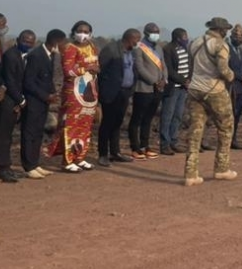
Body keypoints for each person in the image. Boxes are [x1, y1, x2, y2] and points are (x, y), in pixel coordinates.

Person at [184, 17, 237, 187]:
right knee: (226, 127)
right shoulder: (220, 45)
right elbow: (223, 69)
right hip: (214, 90)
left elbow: (191, 67)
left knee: (195, 130)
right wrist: (231, 76)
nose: (227, 32)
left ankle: (190, 173)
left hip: (194, 89)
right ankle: (221, 168)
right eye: (226, 29)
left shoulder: (195, 42)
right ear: (221, 30)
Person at [50, 20, 100, 173]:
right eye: (80, 30)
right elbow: (68, 71)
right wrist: (87, 68)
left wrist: (96, 68)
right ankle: (68, 160)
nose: (83, 34)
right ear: (73, 32)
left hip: (89, 93)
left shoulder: (92, 47)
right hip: (74, 93)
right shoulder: (69, 48)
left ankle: (80, 157)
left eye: (86, 31)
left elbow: (96, 66)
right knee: (71, 126)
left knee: (85, 126)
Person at [21, 29, 65, 179]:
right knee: (29, 133)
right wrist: (46, 95)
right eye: (62, 42)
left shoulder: (50, 55)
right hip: (34, 100)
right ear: (56, 42)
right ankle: (28, 166)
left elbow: (46, 78)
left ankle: (35, 163)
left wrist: (52, 93)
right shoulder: (36, 55)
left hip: (44, 101)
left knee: (39, 133)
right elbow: (29, 82)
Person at [97, 29, 140, 167]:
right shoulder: (111, 50)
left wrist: (131, 88)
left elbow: (133, 70)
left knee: (117, 123)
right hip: (111, 93)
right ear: (129, 38)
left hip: (125, 92)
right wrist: (103, 91)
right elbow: (100, 71)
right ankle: (103, 154)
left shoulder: (131, 52)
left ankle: (115, 152)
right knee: (107, 123)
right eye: (136, 39)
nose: (137, 42)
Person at [0, 30, 36, 182]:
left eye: (30, 42)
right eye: (25, 41)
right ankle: (3, 168)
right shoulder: (10, 55)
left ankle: (5, 167)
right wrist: (21, 101)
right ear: (18, 39)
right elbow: (10, 81)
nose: (27, 44)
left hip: (15, 100)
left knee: (7, 136)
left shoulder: (24, 57)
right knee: (4, 137)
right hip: (9, 100)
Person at [129, 23, 166, 159]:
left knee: (148, 119)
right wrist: (153, 81)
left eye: (157, 32)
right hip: (143, 88)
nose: (156, 34)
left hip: (158, 89)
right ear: (146, 33)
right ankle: (135, 147)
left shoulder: (159, 48)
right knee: (137, 119)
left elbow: (163, 66)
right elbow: (139, 67)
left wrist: (164, 79)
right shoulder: (139, 48)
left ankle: (145, 145)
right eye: (153, 32)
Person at [160, 28, 192, 156]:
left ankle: (174, 141)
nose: (186, 39)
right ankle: (164, 144)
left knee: (178, 116)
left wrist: (188, 79)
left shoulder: (185, 49)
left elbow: (190, 65)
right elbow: (169, 70)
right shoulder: (168, 49)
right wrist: (183, 80)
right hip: (173, 87)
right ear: (178, 38)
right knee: (167, 115)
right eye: (184, 37)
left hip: (183, 88)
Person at [227, 24, 242, 149]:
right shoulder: (227, 50)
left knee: (238, 114)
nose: (238, 38)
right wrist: (240, 77)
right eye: (236, 36)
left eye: (240, 36)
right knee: (229, 114)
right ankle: (227, 139)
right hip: (231, 85)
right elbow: (227, 68)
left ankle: (234, 138)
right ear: (231, 36)